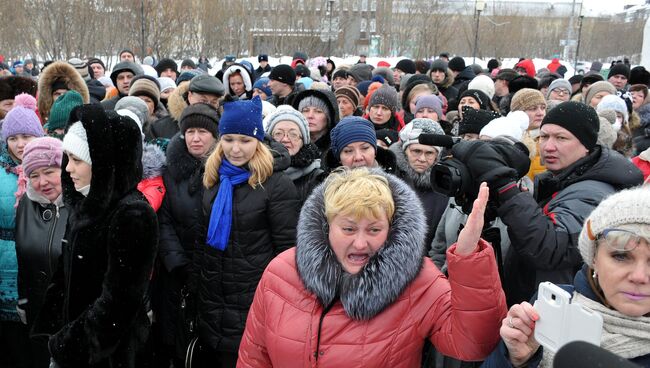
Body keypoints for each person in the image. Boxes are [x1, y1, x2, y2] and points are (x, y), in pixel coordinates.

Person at [237, 167, 507, 367]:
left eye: (374, 229)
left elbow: (474, 343)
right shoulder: (281, 272)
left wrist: (470, 258)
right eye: (348, 228)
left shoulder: (417, 279)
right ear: (326, 226)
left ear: (390, 230)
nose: (360, 243)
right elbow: (254, 357)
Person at [479, 101, 643, 306]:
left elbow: (549, 247)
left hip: (558, 313)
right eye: (544, 136)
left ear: (587, 145)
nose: (548, 146)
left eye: (561, 138)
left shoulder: (594, 192)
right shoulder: (562, 180)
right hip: (542, 306)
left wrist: (506, 188)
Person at [32, 104, 158, 367]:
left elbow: (118, 304)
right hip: (76, 346)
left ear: (103, 165)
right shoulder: (86, 204)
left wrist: (67, 346)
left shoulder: (132, 214)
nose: (67, 168)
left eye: (77, 160)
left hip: (111, 355)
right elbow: (65, 273)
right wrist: (52, 328)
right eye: (67, 157)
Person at [482, 186, 650, 367]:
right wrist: (516, 359)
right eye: (621, 256)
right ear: (594, 258)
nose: (639, 276)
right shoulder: (550, 306)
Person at [194, 96, 299, 367]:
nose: (236, 149)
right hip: (213, 301)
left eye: (245, 140)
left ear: (258, 142)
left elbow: (288, 252)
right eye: (228, 140)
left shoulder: (276, 185)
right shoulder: (213, 177)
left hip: (253, 300)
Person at [153, 102, 219, 367]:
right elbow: (163, 220)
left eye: (202, 132)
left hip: (214, 271)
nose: (195, 138)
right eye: (189, 131)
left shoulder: (226, 171)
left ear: (215, 137)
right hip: (177, 273)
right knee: (177, 338)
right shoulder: (171, 171)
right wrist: (177, 262)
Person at [15, 137, 68, 368]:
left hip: (73, 318)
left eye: (49, 171)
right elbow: (24, 259)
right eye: (34, 175)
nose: (42, 182)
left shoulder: (85, 204)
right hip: (38, 315)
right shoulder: (26, 203)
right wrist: (23, 302)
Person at [0, 93, 44, 368]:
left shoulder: (51, 168)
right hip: (4, 267)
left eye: (26, 136)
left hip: (39, 266)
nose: (19, 144)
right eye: (13, 138)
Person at [390, 118, 448, 249]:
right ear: (404, 151)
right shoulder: (389, 181)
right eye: (416, 151)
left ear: (437, 156)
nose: (422, 159)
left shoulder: (445, 188)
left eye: (429, 153)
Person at [265, 105, 325, 202]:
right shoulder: (257, 173)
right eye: (278, 133)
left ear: (303, 141)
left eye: (293, 134)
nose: (285, 139)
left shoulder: (318, 179)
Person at [322, 116, 396, 174]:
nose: (358, 157)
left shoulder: (397, 186)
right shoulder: (325, 190)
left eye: (365, 148)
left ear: (375, 151)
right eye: (348, 151)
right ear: (339, 158)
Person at [292, 89, 340, 154]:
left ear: (329, 117)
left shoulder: (337, 147)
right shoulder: (291, 144)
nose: (310, 116)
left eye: (318, 111)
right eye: (305, 110)